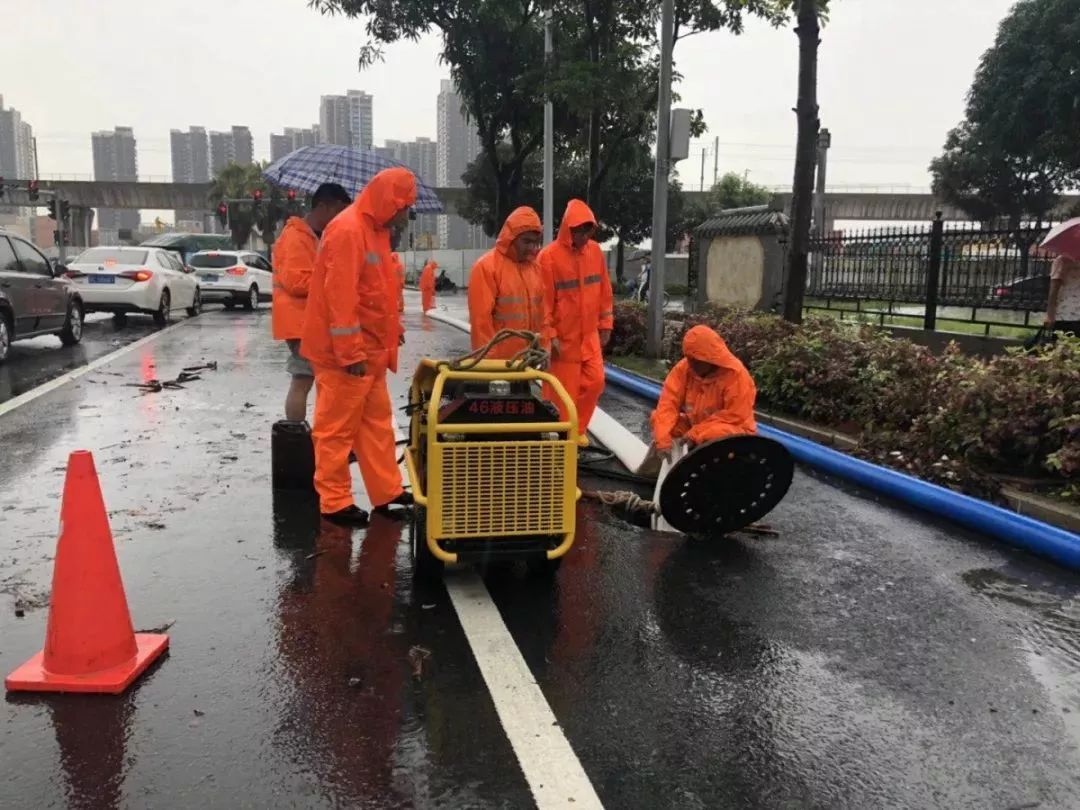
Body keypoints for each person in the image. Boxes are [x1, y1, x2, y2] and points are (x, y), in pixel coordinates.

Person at [300, 167, 417, 526]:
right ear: (390, 201)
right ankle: (334, 503)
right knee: (336, 430)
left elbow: (378, 291)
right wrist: (350, 352)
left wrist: (391, 328)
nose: (406, 215)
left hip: (369, 352)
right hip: (345, 356)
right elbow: (341, 297)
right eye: (404, 207)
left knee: (376, 425)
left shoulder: (375, 231)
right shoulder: (349, 230)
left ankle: (387, 492)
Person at [271, 182, 351, 422]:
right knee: (303, 380)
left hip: (311, 320)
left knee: (315, 379)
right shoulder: (296, 236)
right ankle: (295, 435)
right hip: (301, 323)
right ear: (323, 207)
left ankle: (316, 436)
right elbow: (296, 281)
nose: (343, 217)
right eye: (340, 210)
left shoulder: (317, 237)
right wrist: (333, 278)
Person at [539, 199, 613, 432]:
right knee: (561, 394)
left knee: (595, 383)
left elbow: (604, 292)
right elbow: (544, 303)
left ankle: (577, 430)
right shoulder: (548, 257)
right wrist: (549, 336)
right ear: (567, 229)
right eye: (578, 230)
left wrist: (606, 324)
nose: (583, 236)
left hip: (588, 336)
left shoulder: (595, 253)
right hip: (564, 339)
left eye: (587, 230)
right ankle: (560, 438)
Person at [650, 325, 757, 461]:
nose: (690, 363)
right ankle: (674, 460)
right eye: (688, 358)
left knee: (715, 434)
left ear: (710, 358)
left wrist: (696, 433)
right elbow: (667, 404)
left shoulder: (736, 375)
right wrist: (662, 442)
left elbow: (734, 417)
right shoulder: (684, 368)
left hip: (735, 429)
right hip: (695, 425)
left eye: (695, 359)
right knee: (659, 421)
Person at [467, 206, 547, 359]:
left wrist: (542, 349)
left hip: (525, 362)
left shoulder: (535, 269)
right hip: (498, 365)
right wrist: (489, 364)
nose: (532, 247)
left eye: (535, 242)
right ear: (512, 237)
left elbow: (542, 316)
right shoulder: (486, 267)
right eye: (526, 241)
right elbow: (481, 323)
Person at [1046, 252, 1080, 336]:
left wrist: (1050, 314)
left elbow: (1054, 288)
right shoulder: (1062, 260)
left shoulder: (1061, 260)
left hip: (1065, 315)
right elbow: (1054, 287)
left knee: (1064, 346)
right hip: (1067, 315)